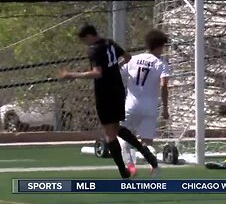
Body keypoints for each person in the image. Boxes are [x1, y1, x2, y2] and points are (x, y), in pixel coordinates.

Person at [59, 24, 158, 178]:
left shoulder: (94, 49)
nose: (85, 44)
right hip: (118, 90)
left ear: (88, 36)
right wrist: (113, 69)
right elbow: (128, 57)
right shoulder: (109, 43)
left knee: (110, 133)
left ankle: (123, 171)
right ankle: (146, 153)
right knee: (116, 128)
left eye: (84, 41)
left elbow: (97, 73)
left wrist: (72, 75)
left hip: (104, 93)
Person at [119, 29, 170, 176]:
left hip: (130, 106)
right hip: (150, 108)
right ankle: (155, 169)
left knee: (123, 137)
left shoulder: (132, 59)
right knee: (147, 142)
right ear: (159, 46)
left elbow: (117, 73)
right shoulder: (161, 64)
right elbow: (164, 85)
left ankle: (131, 167)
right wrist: (165, 108)